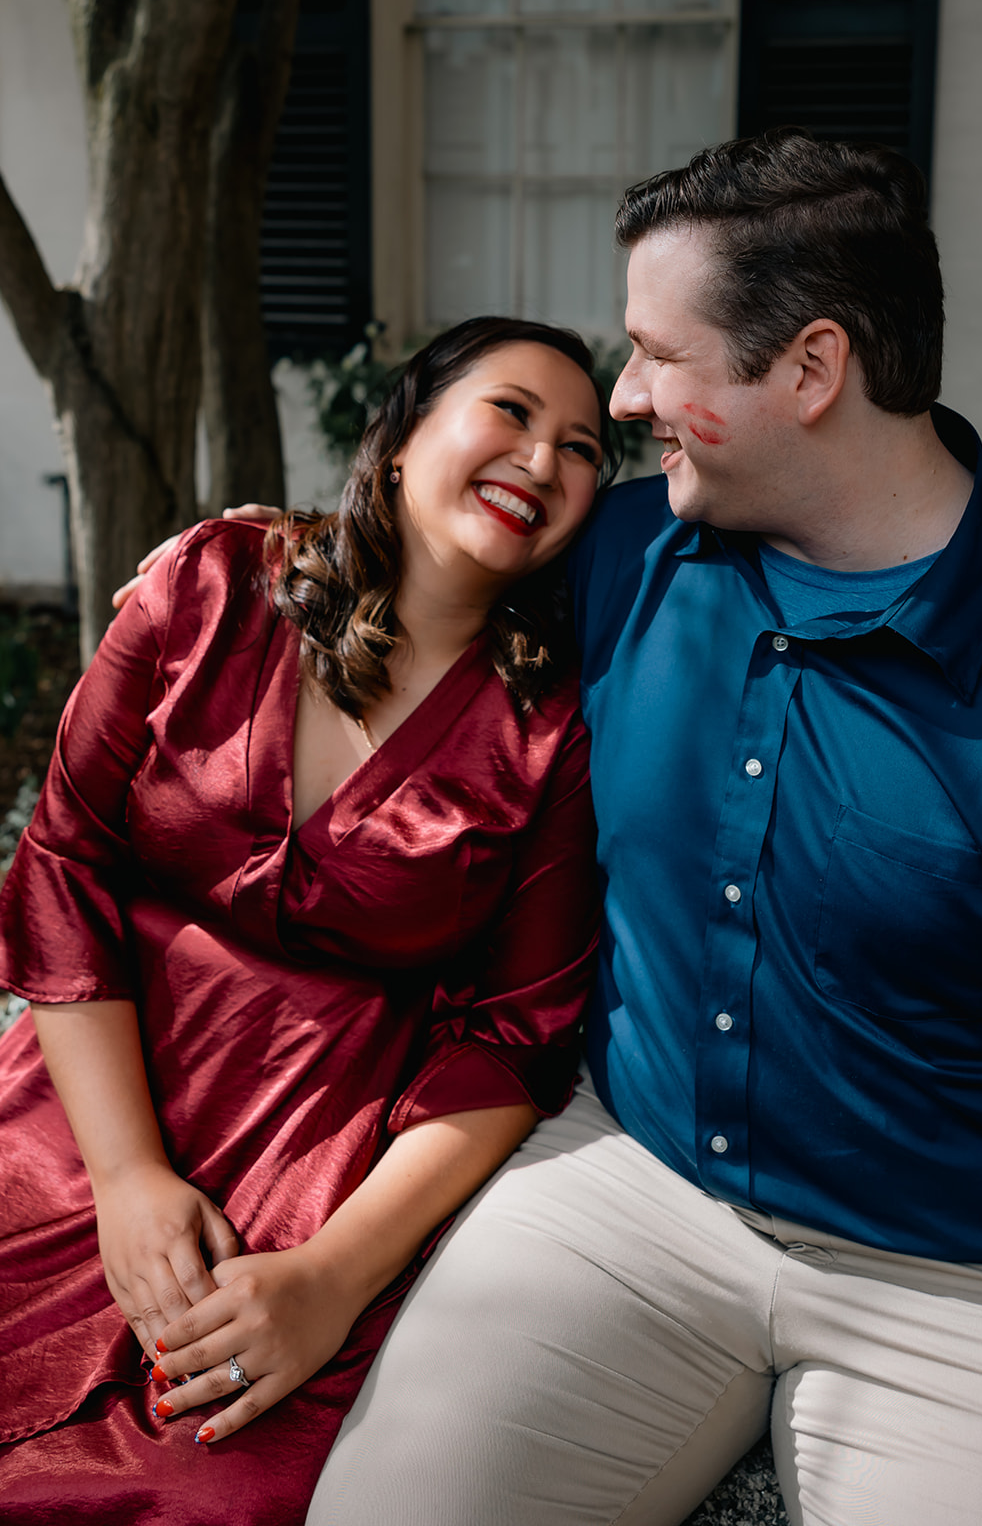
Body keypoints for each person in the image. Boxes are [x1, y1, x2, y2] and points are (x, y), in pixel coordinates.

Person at [293, 130, 982, 1524]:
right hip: (629, 1187)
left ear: (812, 370)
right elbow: (414, 567)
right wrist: (254, 568)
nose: (625, 394)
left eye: (659, 355)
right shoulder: (624, 549)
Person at [0, 316, 616, 1524]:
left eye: (586, 447)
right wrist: (126, 1181)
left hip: (319, 1157)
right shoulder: (212, 583)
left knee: (201, 1485)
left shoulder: (553, 733)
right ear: (400, 437)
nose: (545, 460)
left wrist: (333, 1280)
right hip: (88, 1097)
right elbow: (65, 859)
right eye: (511, 411)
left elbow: (517, 1036)